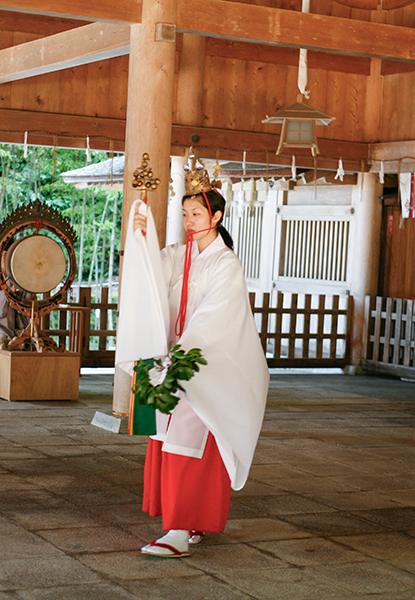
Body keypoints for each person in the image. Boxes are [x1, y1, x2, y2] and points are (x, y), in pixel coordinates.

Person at [126, 162, 269, 558]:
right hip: (174, 358)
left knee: (185, 445)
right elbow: (153, 275)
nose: (190, 221)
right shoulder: (179, 253)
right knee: (170, 440)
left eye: (198, 214)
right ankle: (188, 522)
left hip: (204, 364)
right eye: (185, 214)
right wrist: (141, 234)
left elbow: (216, 315)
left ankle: (178, 529)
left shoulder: (226, 263)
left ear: (217, 216)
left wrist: (183, 356)